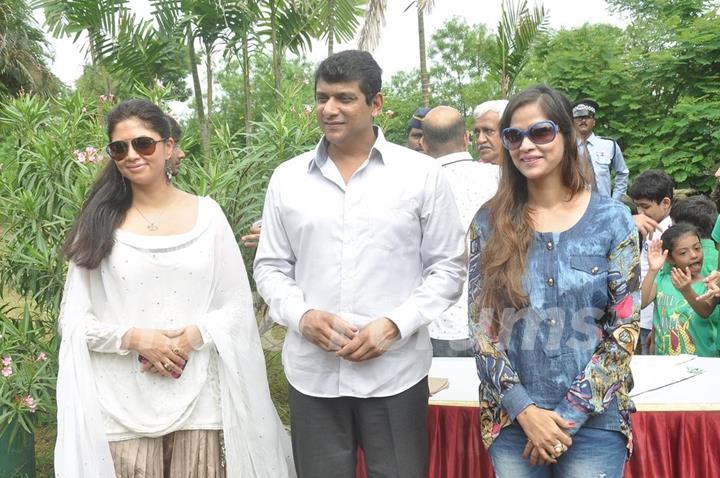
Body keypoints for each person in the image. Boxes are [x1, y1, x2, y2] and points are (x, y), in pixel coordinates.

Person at [253, 50, 465, 478]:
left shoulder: (421, 174)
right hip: (313, 374)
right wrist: (302, 315)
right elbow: (271, 267)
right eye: (322, 97)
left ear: (376, 103)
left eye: (345, 98)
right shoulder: (288, 179)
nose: (329, 109)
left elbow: (448, 268)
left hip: (395, 372)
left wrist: (393, 325)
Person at [55, 99, 294, 477]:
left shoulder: (208, 215)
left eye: (143, 144)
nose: (132, 154)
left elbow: (235, 306)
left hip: (202, 401)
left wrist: (192, 337)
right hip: (120, 404)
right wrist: (136, 338)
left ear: (169, 147)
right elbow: (74, 323)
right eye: (119, 148)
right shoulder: (97, 224)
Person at [468, 85, 640, 476]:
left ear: (566, 133)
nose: (526, 145)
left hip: (596, 420)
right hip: (513, 422)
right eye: (513, 135)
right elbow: (482, 330)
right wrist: (526, 412)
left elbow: (624, 329)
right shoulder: (488, 222)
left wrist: (565, 416)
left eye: (541, 132)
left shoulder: (612, 220)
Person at [420, 105, 499, 357]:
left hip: (435, 323)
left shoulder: (414, 184)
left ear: (423, 142)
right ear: (466, 138)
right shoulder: (500, 177)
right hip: (493, 321)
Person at [641, 223, 718, 356]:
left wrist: (686, 290)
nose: (694, 255)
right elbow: (641, 303)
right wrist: (652, 270)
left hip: (702, 362)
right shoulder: (661, 280)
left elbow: (705, 311)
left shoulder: (710, 283)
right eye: (683, 252)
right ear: (670, 258)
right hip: (666, 363)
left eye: (697, 248)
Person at [628, 169, 674, 354]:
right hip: (641, 311)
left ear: (665, 203)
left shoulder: (671, 234)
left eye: (645, 207)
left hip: (656, 316)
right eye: (637, 207)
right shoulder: (646, 227)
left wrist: (656, 327)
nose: (640, 212)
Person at [572, 98, 629, 200]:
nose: (583, 120)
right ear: (573, 122)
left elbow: (622, 172)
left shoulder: (609, 145)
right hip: (576, 208)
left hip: (605, 207)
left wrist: (615, 201)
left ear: (593, 122)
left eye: (587, 117)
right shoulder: (566, 148)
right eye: (579, 117)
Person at [472, 99, 508, 165]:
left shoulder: (527, 171)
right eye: (477, 133)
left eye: (488, 131)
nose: (480, 140)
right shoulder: (471, 173)